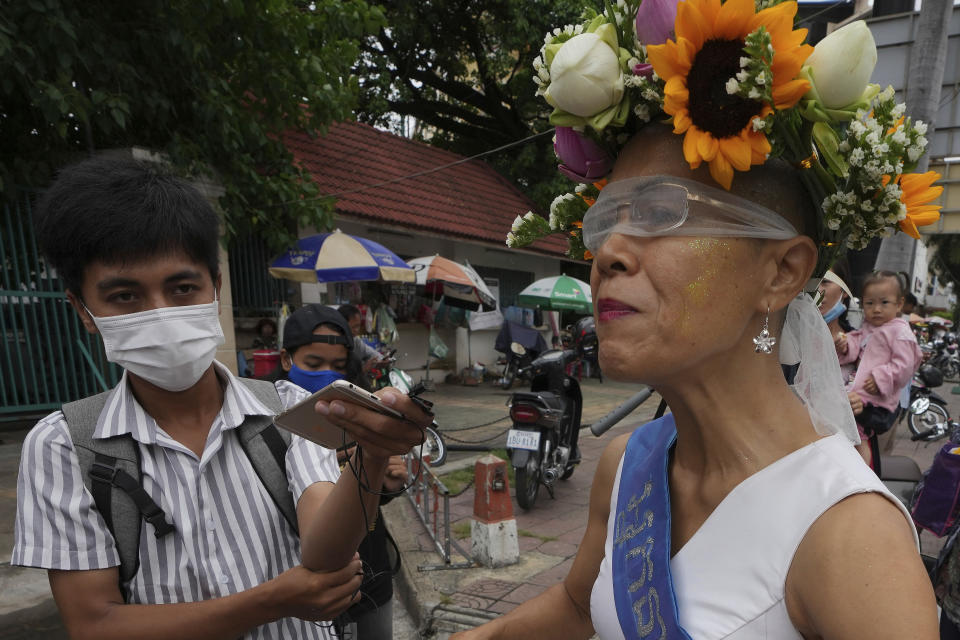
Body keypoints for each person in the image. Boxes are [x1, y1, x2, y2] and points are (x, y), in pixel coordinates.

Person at [12, 155, 430, 640]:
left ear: (216, 286)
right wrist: (271, 600)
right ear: (83, 310)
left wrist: (373, 455)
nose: (160, 314)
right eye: (125, 296)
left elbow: (324, 554)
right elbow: (94, 624)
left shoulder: (286, 407)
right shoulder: (64, 447)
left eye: (182, 287)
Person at [274, 304, 407, 639]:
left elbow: (371, 504)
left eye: (338, 365)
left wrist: (387, 481)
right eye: (314, 364)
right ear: (287, 360)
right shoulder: (265, 422)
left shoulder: (361, 416)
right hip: (305, 588)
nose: (327, 375)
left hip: (371, 577)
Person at [836, 271, 922, 471]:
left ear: (899, 304)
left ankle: (864, 473)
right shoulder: (868, 328)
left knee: (861, 436)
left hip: (875, 397)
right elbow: (856, 345)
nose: (876, 309)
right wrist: (845, 344)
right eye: (869, 303)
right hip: (860, 391)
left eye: (884, 303)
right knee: (851, 433)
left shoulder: (900, 332)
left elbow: (906, 365)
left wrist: (881, 377)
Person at [339, 304, 383, 371]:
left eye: (358, 326)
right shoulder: (334, 345)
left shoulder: (356, 341)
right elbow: (342, 378)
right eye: (353, 327)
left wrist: (382, 360)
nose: (357, 330)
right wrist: (364, 369)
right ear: (342, 324)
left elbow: (372, 353)